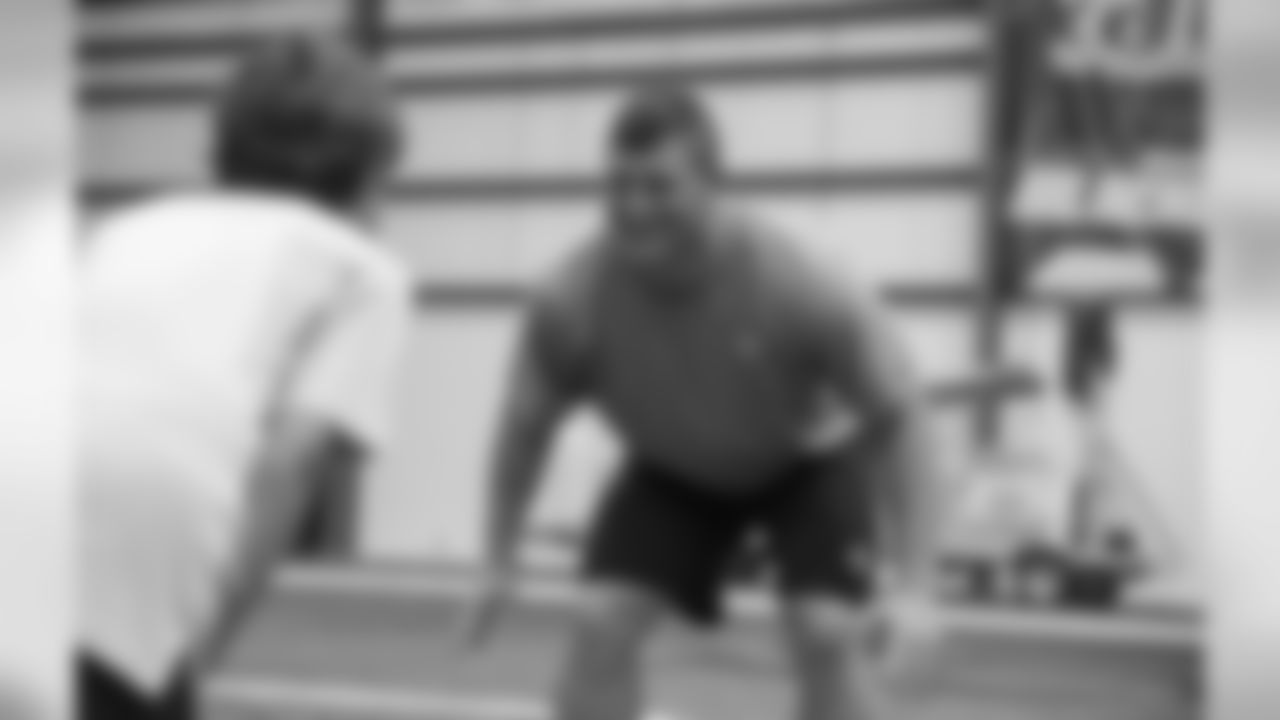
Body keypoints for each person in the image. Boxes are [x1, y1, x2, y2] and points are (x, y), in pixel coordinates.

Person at [462, 82, 946, 720]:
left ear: (715, 183)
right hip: (670, 469)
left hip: (804, 463)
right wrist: (497, 558)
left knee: (826, 631)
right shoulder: (570, 298)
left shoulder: (803, 280)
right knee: (598, 621)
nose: (634, 207)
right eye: (618, 185)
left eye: (659, 187)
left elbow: (900, 418)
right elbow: (524, 428)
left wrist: (916, 587)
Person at [79, 34, 410, 720]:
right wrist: (199, 655)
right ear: (370, 177)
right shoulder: (362, 269)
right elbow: (290, 462)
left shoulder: (129, 230)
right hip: (140, 539)